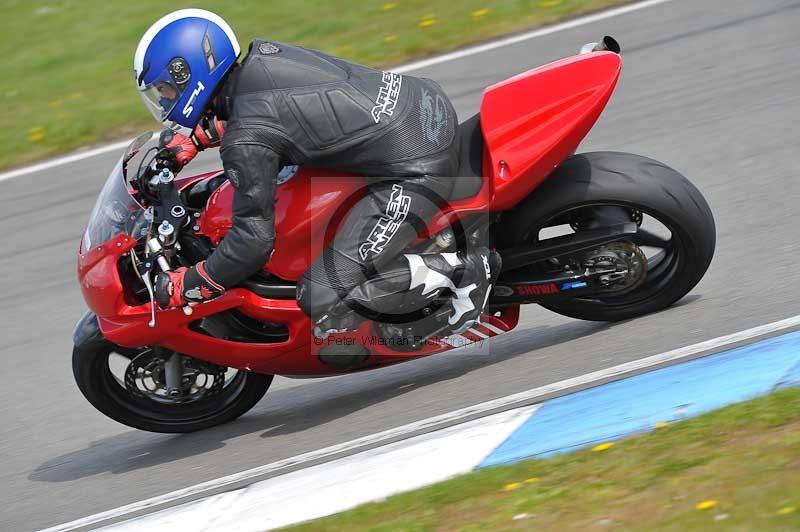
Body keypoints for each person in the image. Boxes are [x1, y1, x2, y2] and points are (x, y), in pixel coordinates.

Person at [135, 9, 499, 336]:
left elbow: (253, 243)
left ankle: (464, 273)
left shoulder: (246, 139)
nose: (165, 101)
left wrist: (194, 282)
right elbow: (292, 109)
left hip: (419, 166)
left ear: (189, 74)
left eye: (166, 90)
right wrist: (201, 136)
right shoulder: (263, 58)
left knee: (321, 293)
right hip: (424, 104)